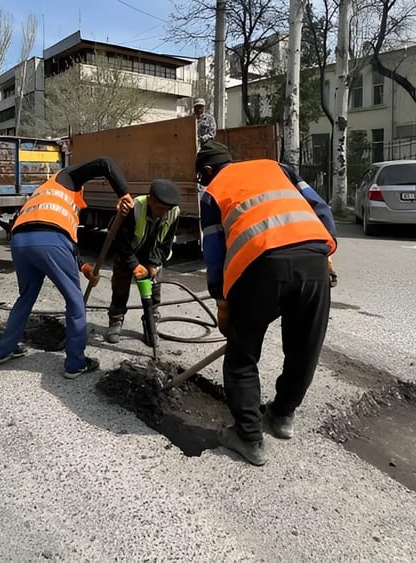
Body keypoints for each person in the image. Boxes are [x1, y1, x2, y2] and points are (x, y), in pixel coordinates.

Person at [197, 141, 338, 466]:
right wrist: (327, 255)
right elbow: (321, 209)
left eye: (201, 177)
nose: (204, 183)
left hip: (261, 266)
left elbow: (215, 252)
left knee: (242, 356)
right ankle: (282, 416)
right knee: (305, 347)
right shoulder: (277, 168)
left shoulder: (213, 191)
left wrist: (222, 302)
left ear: (206, 171)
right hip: (313, 259)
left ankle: (249, 438)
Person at [0, 157, 134, 378]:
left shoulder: (45, 193)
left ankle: (3, 351)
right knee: (75, 301)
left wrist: (83, 266)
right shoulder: (66, 177)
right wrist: (123, 193)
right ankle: (75, 363)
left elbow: (64, 237)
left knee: (26, 297)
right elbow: (106, 163)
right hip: (50, 240)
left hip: (20, 241)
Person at [105, 179, 181, 344]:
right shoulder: (135, 207)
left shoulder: (173, 212)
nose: (163, 212)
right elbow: (120, 240)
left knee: (154, 292)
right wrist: (134, 265)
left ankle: (150, 323)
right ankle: (116, 319)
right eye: (160, 208)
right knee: (120, 288)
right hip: (128, 252)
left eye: (166, 209)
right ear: (150, 199)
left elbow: (166, 243)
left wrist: (154, 263)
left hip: (151, 254)